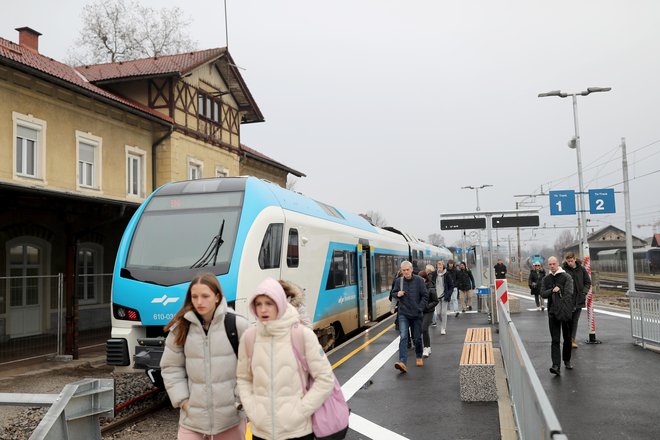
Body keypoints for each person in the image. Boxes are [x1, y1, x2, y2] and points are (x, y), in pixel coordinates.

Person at [236, 278, 334, 440]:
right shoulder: (249, 337)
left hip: (298, 431)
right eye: (258, 304)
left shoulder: (302, 335)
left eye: (269, 303)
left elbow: (325, 379)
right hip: (261, 432)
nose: (263, 309)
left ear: (281, 303)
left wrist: (301, 411)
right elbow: (243, 378)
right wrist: (253, 410)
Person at [160, 272, 249, 440]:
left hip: (230, 420)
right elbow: (170, 367)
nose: (199, 302)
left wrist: (238, 401)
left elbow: (250, 366)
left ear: (217, 297)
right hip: (192, 420)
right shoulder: (181, 328)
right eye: (195, 296)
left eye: (205, 296)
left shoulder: (237, 324)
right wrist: (184, 401)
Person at [390, 260, 428, 372]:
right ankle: (402, 362)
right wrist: (397, 294)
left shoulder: (419, 281)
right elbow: (392, 294)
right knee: (403, 336)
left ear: (411, 270)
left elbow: (425, 296)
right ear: (401, 271)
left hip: (416, 314)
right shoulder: (398, 281)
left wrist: (420, 308)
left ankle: (419, 356)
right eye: (404, 270)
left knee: (416, 338)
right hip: (403, 314)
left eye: (407, 270)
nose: (406, 272)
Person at [540, 256, 575, 375]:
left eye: (554, 264)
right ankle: (556, 366)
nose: (552, 266)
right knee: (555, 339)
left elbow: (569, 293)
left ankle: (567, 360)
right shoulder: (546, 279)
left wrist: (560, 302)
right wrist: (552, 291)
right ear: (548, 265)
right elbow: (543, 294)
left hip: (565, 311)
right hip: (552, 313)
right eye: (550, 264)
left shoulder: (566, 277)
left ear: (558, 264)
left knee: (567, 337)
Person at [562, 252, 592, 349]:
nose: (570, 263)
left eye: (571, 261)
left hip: (579, 298)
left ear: (575, 259)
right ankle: (568, 339)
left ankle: (572, 339)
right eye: (568, 261)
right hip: (568, 299)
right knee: (568, 320)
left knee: (575, 320)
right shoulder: (563, 270)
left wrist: (584, 292)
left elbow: (588, 282)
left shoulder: (581, 269)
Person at [418, 270, 438, 358]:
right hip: (420, 311)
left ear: (425, 278)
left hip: (429, 311)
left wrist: (427, 306)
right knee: (423, 330)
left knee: (424, 328)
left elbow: (435, 301)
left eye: (422, 278)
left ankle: (426, 348)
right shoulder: (417, 287)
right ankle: (428, 347)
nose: (421, 280)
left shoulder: (431, 287)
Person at [434, 261, 454, 335]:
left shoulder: (447, 274)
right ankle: (443, 322)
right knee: (438, 313)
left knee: (443, 312)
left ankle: (443, 328)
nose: (439, 268)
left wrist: (448, 294)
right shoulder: (434, 274)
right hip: (437, 296)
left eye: (440, 267)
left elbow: (451, 285)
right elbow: (431, 283)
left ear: (443, 267)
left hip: (444, 296)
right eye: (438, 267)